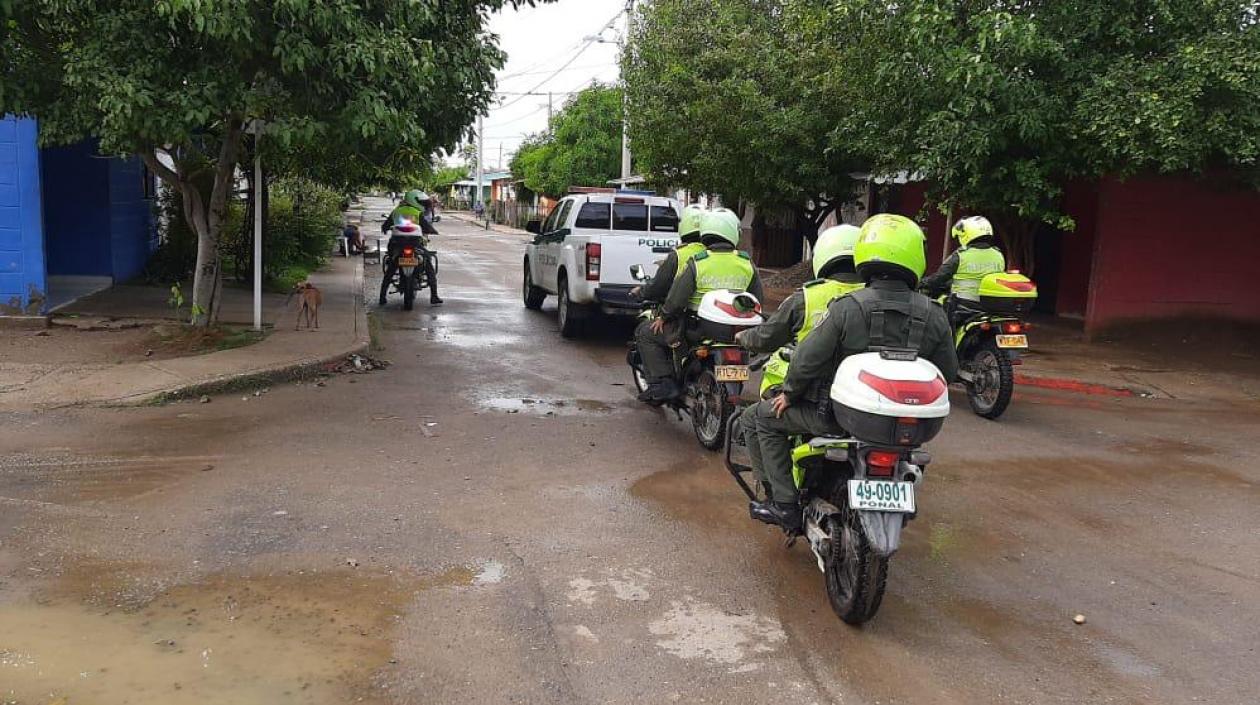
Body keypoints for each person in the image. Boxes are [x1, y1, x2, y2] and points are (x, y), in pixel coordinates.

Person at [745, 214, 959, 534]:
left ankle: (784, 504)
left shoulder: (847, 307)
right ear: (917, 256)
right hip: (907, 430)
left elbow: (807, 357)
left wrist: (789, 392)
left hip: (833, 418)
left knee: (760, 418)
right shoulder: (934, 314)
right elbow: (948, 372)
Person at [733, 223, 865, 495]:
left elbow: (768, 338)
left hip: (818, 400)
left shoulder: (808, 297)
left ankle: (777, 497)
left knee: (753, 418)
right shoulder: (874, 297)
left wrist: (744, 337)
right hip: (865, 404)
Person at [635, 208, 763, 403]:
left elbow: (678, 298)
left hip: (697, 329)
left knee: (645, 333)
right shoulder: (746, 263)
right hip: (736, 333)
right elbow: (756, 300)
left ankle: (664, 384)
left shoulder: (699, 262)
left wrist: (664, 315)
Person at [919, 216, 1006, 314]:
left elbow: (938, 278)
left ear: (967, 234)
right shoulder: (998, 255)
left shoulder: (960, 256)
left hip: (963, 306)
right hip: (990, 308)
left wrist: (921, 283)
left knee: (939, 315)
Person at [634, 204, 708, 304]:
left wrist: (640, 293)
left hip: (683, 313)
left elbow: (659, 286)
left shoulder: (678, 255)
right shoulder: (715, 254)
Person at [379, 190, 443, 306]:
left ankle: (382, 296)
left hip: (397, 245)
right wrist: (433, 231)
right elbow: (427, 227)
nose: (423, 204)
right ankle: (434, 295)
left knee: (391, 269)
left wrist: (386, 228)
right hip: (415, 245)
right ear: (414, 201)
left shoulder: (397, 211)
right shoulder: (417, 213)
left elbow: (385, 226)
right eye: (421, 202)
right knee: (428, 265)